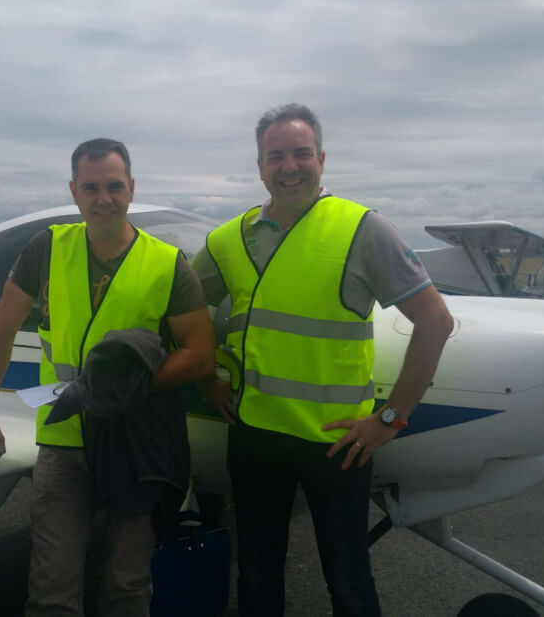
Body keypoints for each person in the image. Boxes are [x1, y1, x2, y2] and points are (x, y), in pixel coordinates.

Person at [192, 103, 454, 616]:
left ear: (321, 159)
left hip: (337, 441)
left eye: (301, 153)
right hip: (255, 434)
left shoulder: (363, 229)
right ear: (260, 167)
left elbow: (436, 322)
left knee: (348, 579)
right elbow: (180, 309)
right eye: (276, 156)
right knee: (256, 574)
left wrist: (391, 418)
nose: (289, 166)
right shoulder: (227, 241)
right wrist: (206, 379)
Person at [0, 138, 215, 617]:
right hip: (63, 441)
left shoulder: (167, 263)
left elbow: (200, 355)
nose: (104, 199)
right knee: (52, 589)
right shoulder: (46, 249)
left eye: (115, 187)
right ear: (74, 192)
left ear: (132, 188)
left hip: (134, 442)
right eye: (92, 188)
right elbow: (0, 332)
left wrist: (126, 388)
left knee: (128, 586)